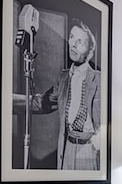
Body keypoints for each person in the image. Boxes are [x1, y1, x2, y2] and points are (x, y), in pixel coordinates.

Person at [22, 19, 102, 170]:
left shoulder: (99, 79)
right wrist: (8, 101)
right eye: (71, 37)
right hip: (67, 148)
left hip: (89, 150)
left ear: (90, 52)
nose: (73, 44)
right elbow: (42, 103)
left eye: (80, 42)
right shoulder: (63, 78)